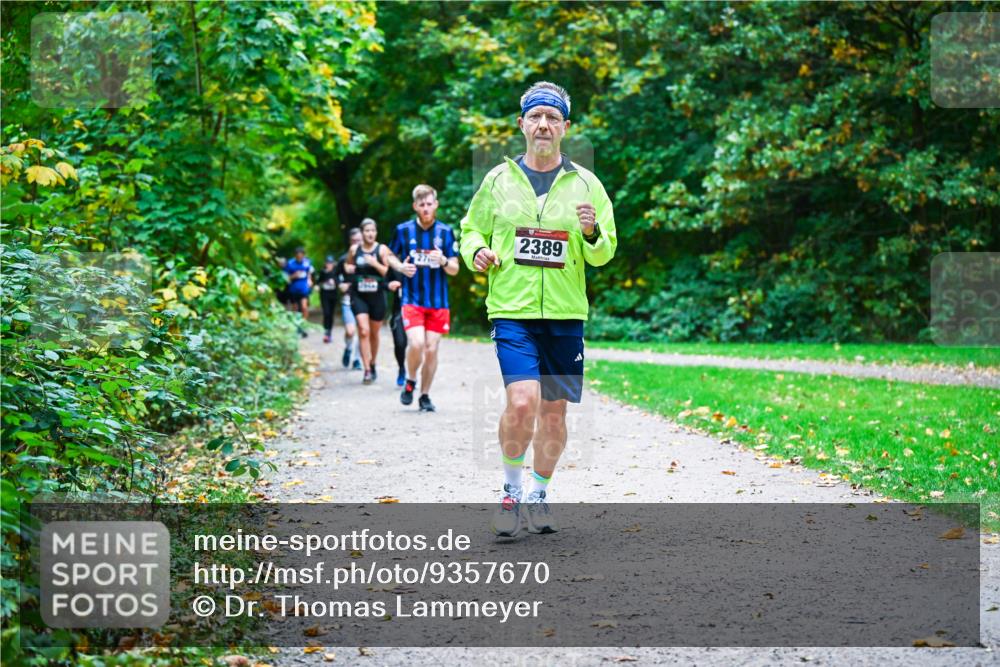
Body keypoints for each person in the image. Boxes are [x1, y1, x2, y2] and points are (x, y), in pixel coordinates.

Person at [459, 82, 617, 537]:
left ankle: (539, 492)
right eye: (535, 116)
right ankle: (511, 492)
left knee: (553, 413)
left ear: (565, 127)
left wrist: (591, 233)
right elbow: (471, 230)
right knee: (522, 400)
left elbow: (604, 252)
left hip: (565, 313)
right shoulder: (498, 180)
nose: (543, 125)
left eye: (552, 118)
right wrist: (477, 252)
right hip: (513, 308)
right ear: (522, 124)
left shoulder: (586, 184)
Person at [390, 184, 459, 412]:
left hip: (438, 303)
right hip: (412, 299)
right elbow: (388, 255)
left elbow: (455, 269)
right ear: (415, 206)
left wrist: (444, 261)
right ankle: (411, 379)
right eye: (422, 205)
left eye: (429, 204)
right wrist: (401, 267)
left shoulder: (446, 232)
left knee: (431, 349)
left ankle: (425, 395)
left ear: (436, 205)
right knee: (417, 343)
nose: (426, 208)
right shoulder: (403, 230)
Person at [344, 218, 413, 384]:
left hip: (377, 296)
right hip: (359, 295)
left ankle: (373, 362)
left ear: (376, 232)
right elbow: (346, 265)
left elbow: (388, 273)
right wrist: (349, 269)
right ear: (362, 233)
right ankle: (367, 369)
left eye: (373, 231)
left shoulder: (382, 249)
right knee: (363, 330)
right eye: (367, 231)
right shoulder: (354, 249)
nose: (370, 234)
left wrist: (375, 263)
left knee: (374, 334)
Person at [335, 228, 363, 369]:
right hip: (348, 300)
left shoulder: (368, 258)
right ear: (350, 242)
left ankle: (357, 359)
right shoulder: (343, 259)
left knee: (363, 331)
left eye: (359, 240)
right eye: (354, 241)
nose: (356, 243)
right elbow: (335, 276)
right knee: (351, 331)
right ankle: (348, 348)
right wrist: (340, 285)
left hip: (364, 299)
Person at [284, 246, 314, 338]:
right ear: (295, 256)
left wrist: (309, 280)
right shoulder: (290, 264)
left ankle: (303, 325)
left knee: (304, 307)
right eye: (298, 256)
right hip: (293, 289)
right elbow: (285, 277)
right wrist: (293, 276)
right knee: (295, 309)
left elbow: (309, 272)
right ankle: (297, 326)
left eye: (301, 255)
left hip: (304, 289)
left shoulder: (307, 262)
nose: (300, 257)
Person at [386, 268, 408, 387]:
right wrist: (389, 285)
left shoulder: (425, 263)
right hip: (399, 311)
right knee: (400, 343)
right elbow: (383, 283)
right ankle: (401, 368)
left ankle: (413, 375)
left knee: (418, 344)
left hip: (421, 310)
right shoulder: (395, 265)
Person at [316, 255, 339, 343]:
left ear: (333, 264)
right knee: (326, 313)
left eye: (330, 263)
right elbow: (318, 282)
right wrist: (319, 285)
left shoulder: (336, 272)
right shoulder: (322, 272)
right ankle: (326, 331)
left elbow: (340, 282)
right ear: (325, 264)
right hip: (324, 295)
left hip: (333, 295)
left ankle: (329, 332)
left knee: (331, 314)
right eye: (327, 263)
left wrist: (335, 282)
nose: (329, 265)